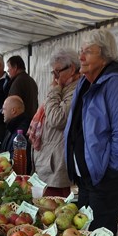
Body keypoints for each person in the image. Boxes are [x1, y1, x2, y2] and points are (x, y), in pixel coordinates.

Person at [64, 28, 118, 236]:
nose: (81, 57)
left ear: (105, 55)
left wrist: (109, 173)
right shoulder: (86, 82)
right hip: (91, 175)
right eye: (81, 51)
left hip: (108, 176)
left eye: (88, 51)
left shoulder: (117, 84)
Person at [31, 48, 80, 197]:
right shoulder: (63, 88)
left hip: (56, 164)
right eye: (53, 73)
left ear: (72, 69)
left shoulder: (75, 89)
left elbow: (57, 119)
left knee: (53, 207)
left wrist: (54, 91)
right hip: (47, 161)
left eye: (57, 72)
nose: (55, 78)